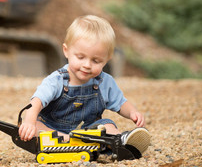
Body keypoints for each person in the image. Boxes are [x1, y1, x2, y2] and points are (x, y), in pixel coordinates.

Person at [18, 15, 151, 156]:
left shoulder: (104, 82)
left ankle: (121, 142)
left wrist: (132, 112)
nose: (87, 65)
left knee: (107, 125)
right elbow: (37, 101)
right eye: (80, 57)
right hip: (54, 130)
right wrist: (29, 122)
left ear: (107, 59)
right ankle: (74, 141)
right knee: (38, 127)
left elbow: (120, 103)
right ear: (66, 51)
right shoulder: (57, 80)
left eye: (96, 60)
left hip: (89, 131)